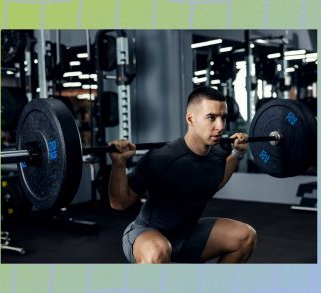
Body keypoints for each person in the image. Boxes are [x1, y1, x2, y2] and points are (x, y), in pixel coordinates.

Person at [108, 86, 257, 263]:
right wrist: (119, 163)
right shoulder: (162, 158)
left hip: (187, 235)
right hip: (147, 236)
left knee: (246, 236)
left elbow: (217, 180)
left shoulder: (217, 157)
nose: (221, 126)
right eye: (211, 117)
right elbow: (119, 203)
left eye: (223, 117)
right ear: (190, 119)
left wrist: (237, 155)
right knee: (159, 251)